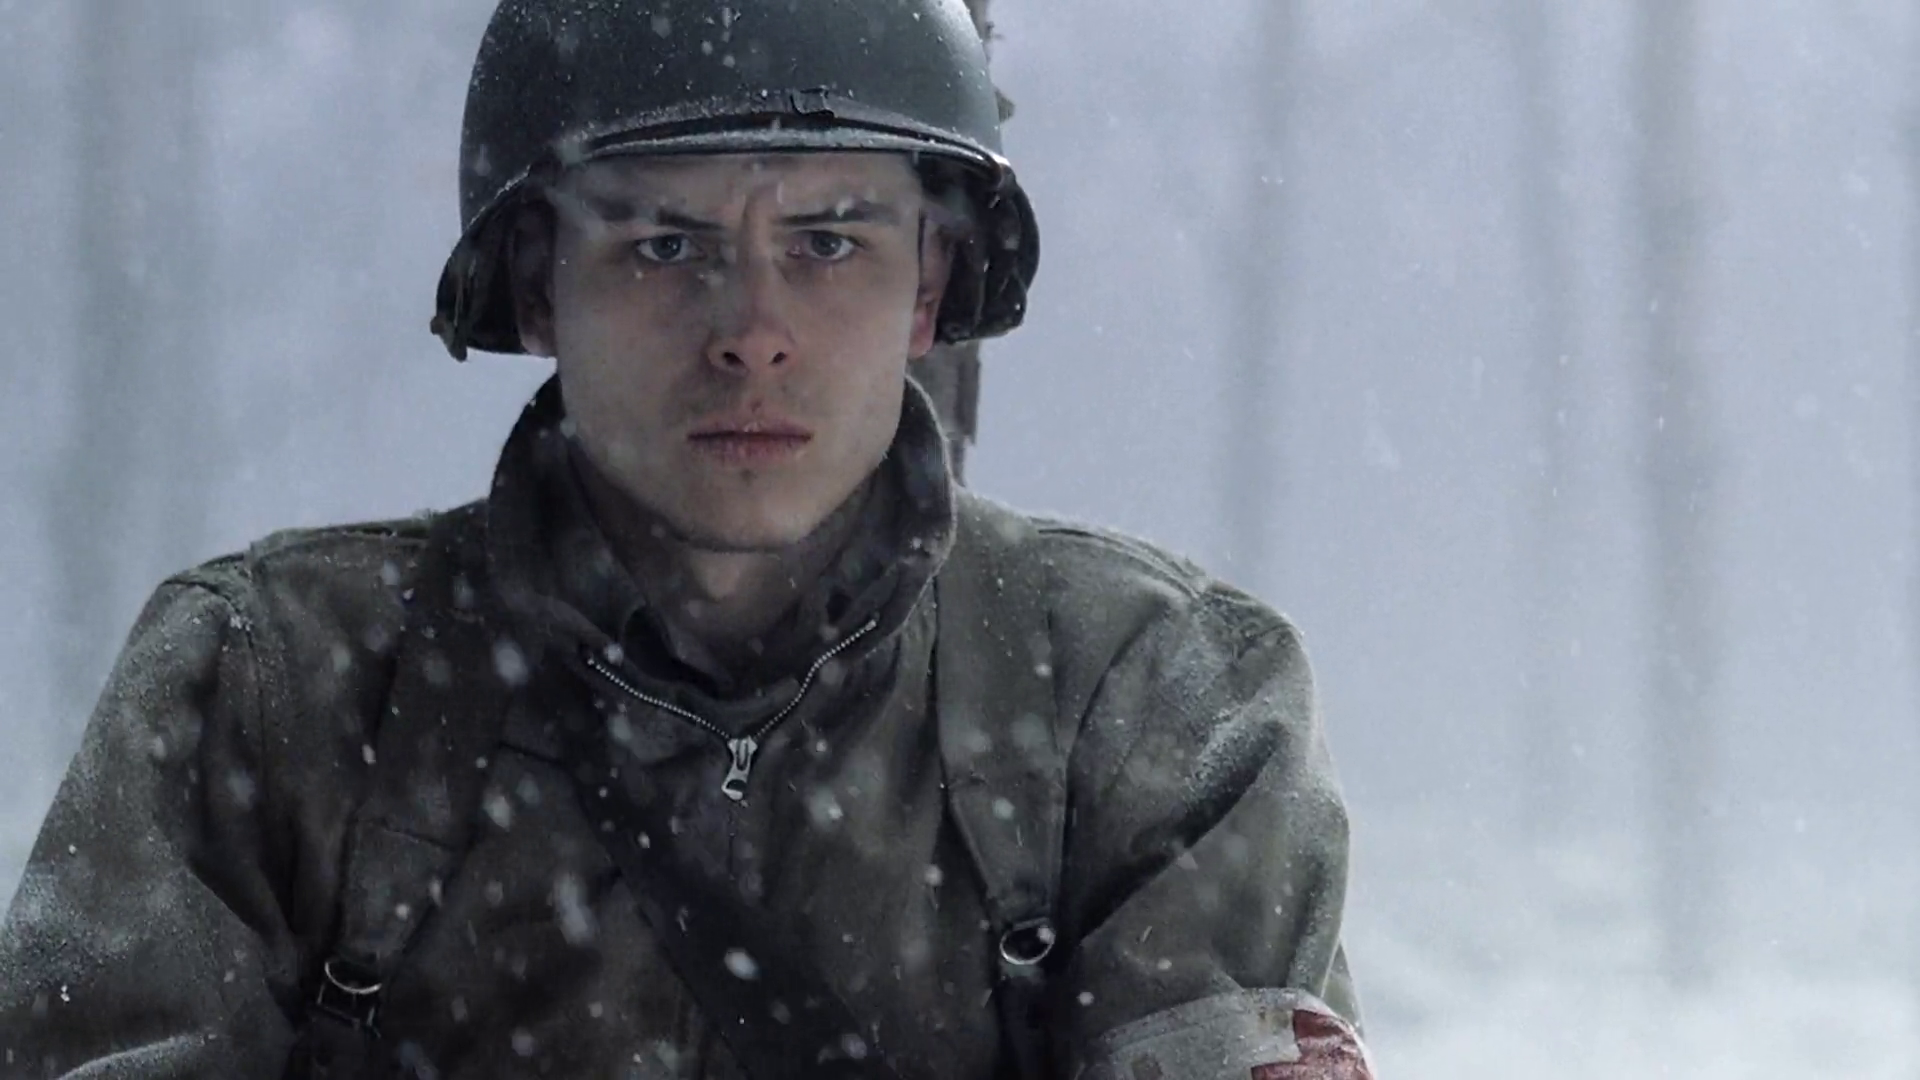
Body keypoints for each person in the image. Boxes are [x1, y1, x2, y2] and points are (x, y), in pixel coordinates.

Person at [0, 1, 1373, 1077]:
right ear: (538, 285)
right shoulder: (274, 688)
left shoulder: (1154, 703)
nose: (751, 329)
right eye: (665, 244)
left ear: (929, 283)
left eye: (829, 241)